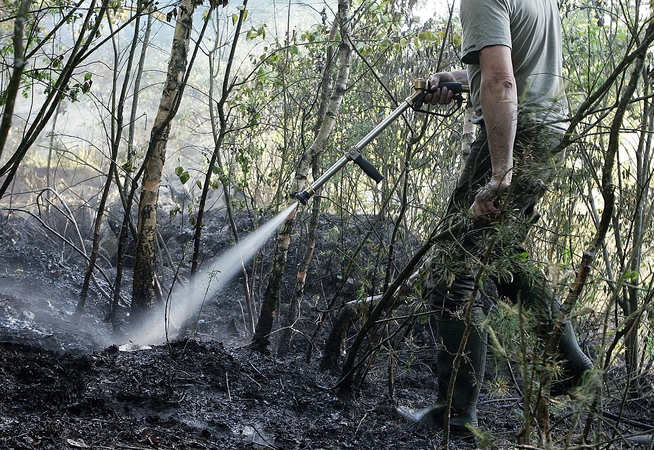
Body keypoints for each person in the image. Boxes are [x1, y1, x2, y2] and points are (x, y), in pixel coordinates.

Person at [398, 0, 593, 434]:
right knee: (502, 256)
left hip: (514, 140)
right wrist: (458, 79)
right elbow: (509, 64)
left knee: (453, 274)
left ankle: (455, 416)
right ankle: (572, 366)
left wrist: (501, 171)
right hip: (545, 134)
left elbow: (503, 80)